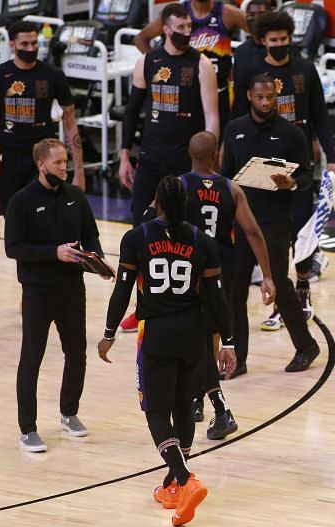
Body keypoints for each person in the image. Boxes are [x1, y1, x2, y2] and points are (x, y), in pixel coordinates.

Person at [98, 175, 237, 527]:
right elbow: (218, 298)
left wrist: (109, 332)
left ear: (157, 202)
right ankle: (175, 484)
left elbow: (123, 291)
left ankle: (186, 480)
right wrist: (230, 342)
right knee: (182, 407)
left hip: (157, 333)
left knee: (155, 411)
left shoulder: (137, 238)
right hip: (194, 334)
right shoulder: (202, 241)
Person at [232, 10, 335, 328]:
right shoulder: (250, 71)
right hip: (260, 166)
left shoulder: (305, 69)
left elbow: (320, 115)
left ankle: (302, 289)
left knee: (302, 231)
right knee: (268, 234)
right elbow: (237, 117)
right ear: (262, 40)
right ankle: (280, 295)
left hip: (299, 164)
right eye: (273, 40)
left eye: (284, 39)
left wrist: (332, 158)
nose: (279, 44)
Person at [118, 2, 219, 332]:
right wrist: (124, 155)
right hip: (150, 160)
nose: (187, 33)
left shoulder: (201, 64)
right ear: (165, 30)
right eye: (180, 28)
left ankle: (193, 304)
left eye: (190, 28)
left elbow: (212, 117)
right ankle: (142, 306)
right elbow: (132, 112)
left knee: (188, 236)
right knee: (140, 232)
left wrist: (209, 159)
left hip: (184, 163)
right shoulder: (147, 61)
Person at [4, 139, 107, 452]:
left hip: (72, 289)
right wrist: (54, 253)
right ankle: (27, 429)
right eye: (59, 163)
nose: (65, 167)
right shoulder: (21, 201)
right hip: (37, 291)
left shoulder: (75, 196)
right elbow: (13, 248)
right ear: (41, 165)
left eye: (66, 161)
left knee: (77, 354)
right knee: (31, 358)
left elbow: (90, 234)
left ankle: (69, 413)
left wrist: (97, 261)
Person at [220, 74, 320, 375]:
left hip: (275, 221)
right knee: (235, 288)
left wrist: (291, 183)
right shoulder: (235, 129)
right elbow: (225, 174)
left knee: (279, 282)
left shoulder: (291, 134)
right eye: (260, 97)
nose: (266, 102)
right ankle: (238, 358)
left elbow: (305, 177)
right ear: (249, 95)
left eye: (271, 97)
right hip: (241, 221)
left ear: (276, 96)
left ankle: (306, 346)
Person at [180, 132, 276, 438]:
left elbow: (157, 221)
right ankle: (200, 398)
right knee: (213, 330)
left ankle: (210, 403)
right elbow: (254, 232)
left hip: (192, 265)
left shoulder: (180, 186)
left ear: (189, 154)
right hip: (223, 266)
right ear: (216, 157)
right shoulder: (231, 188)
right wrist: (268, 275)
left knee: (198, 336)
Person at [0, 20, 85, 217]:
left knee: (49, 218)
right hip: (9, 156)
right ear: (12, 45)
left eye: (35, 43)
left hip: (44, 157)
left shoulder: (53, 75)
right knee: (13, 219)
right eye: (25, 44)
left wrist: (78, 171)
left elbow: (70, 122)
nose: (31, 48)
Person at [134, 0, 248, 128]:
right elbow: (140, 39)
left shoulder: (227, 12)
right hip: (185, 93)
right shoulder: (175, 13)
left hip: (218, 91)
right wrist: (160, 64)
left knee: (216, 142)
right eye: (183, 27)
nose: (186, 30)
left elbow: (261, 32)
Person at [232, 0, 273, 95]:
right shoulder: (241, 51)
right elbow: (239, 89)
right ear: (246, 17)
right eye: (252, 14)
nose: (256, 18)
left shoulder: (282, 48)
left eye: (261, 14)